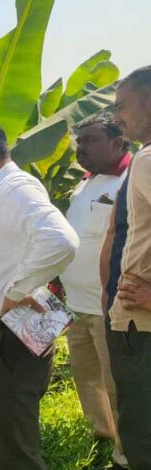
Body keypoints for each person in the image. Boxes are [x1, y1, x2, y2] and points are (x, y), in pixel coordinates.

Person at [0, 116, 78, 469]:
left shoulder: (15, 189)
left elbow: (61, 240)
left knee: (16, 443)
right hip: (3, 332)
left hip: (8, 334)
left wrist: (17, 291)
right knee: (5, 431)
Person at [59, 114, 130, 468]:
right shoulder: (84, 183)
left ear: (118, 142)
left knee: (118, 381)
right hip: (76, 305)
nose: (80, 148)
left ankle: (127, 450)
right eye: (79, 141)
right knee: (87, 376)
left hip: (110, 307)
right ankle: (103, 433)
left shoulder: (132, 180)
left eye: (90, 140)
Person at [101, 65, 151, 469]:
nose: (117, 117)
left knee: (142, 442)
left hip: (142, 326)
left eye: (122, 106)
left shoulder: (148, 159)